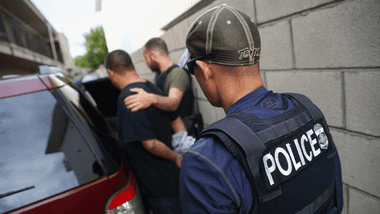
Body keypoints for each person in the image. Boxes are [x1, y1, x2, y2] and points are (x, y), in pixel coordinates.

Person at [178, 4, 343, 214]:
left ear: (204, 70)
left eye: (194, 71)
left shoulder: (204, 162)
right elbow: (334, 197)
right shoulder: (307, 110)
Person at [105, 50, 183, 214]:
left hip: (159, 188)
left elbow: (150, 143)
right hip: (173, 180)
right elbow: (175, 119)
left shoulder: (129, 98)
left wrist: (176, 156)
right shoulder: (151, 87)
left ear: (110, 72)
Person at [123, 38, 196, 133]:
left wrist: (151, 99)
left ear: (152, 56)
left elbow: (174, 102)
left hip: (184, 132)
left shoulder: (177, 73)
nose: (146, 62)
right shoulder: (160, 76)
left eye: (146, 58)